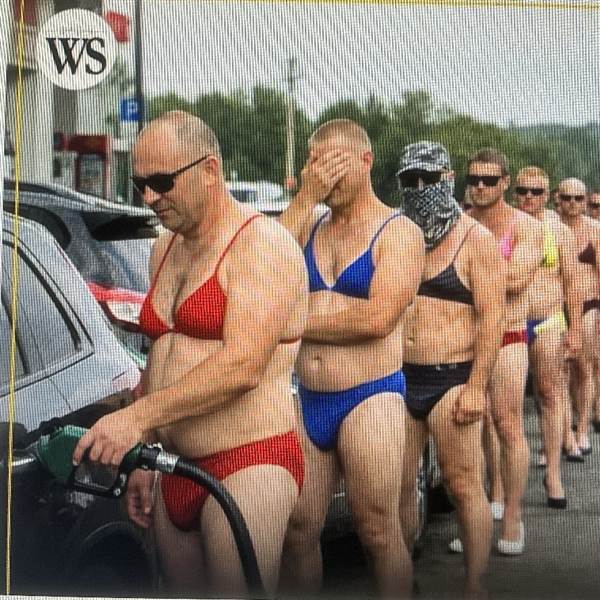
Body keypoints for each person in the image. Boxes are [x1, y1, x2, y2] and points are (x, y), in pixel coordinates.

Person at [72, 110, 309, 597]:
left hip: (248, 464)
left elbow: (243, 365)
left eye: (162, 182)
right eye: (140, 184)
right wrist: (143, 454)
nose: (149, 197)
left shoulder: (261, 246)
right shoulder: (165, 248)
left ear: (209, 171)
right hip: (175, 465)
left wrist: (135, 420)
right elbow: (159, 357)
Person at [277, 119, 424, 598]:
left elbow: (379, 318)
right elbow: (263, 273)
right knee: (297, 529)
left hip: (370, 394)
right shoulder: (308, 223)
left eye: (335, 164)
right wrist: (304, 199)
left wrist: (293, 320)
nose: (325, 176)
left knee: (376, 528)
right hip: (308, 395)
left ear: (366, 161)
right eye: (315, 165)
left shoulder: (399, 232)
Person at [397, 142, 506, 598]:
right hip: (400, 378)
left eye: (429, 179)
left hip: (452, 378)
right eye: (411, 180)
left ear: (447, 179)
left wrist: (477, 386)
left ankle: (474, 583)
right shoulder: (396, 234)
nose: (420, 187)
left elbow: (493, 318)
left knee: (462, 484)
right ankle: (401, 574)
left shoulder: (475, 240)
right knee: (399, 486)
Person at [467, 148, 543, 554]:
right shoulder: (460, 223)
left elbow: (515, 280)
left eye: (489, 180)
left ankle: (513, 516)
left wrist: (466, 273)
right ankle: (476, 516)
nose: (480, 186)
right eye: (473, 180)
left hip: (508, 334)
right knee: (469, 428)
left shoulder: (525, 227)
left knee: (507, 422)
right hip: (465, 338)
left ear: (505, 183)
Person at [515, 167, 582, 505]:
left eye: (536, 191)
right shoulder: (505, 225)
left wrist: (575, 329)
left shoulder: (558, 231)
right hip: (511, 321)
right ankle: (501, 484)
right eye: (523, 191)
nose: (529, 197)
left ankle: (553, 473)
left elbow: (572, 282)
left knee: (550, 393)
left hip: (548, 320)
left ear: (548, 195)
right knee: (505, 403)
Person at [558, 178, 600, 455]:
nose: (572, 203)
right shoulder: (550, 227)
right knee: (560, 372)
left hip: (588, 303)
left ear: (585, 201)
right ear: (558, 199)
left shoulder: (595, 230)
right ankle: (563, 430)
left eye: (578, 198)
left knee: (584, 367)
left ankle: (582, 428)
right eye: (567, 198)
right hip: (556, 306)